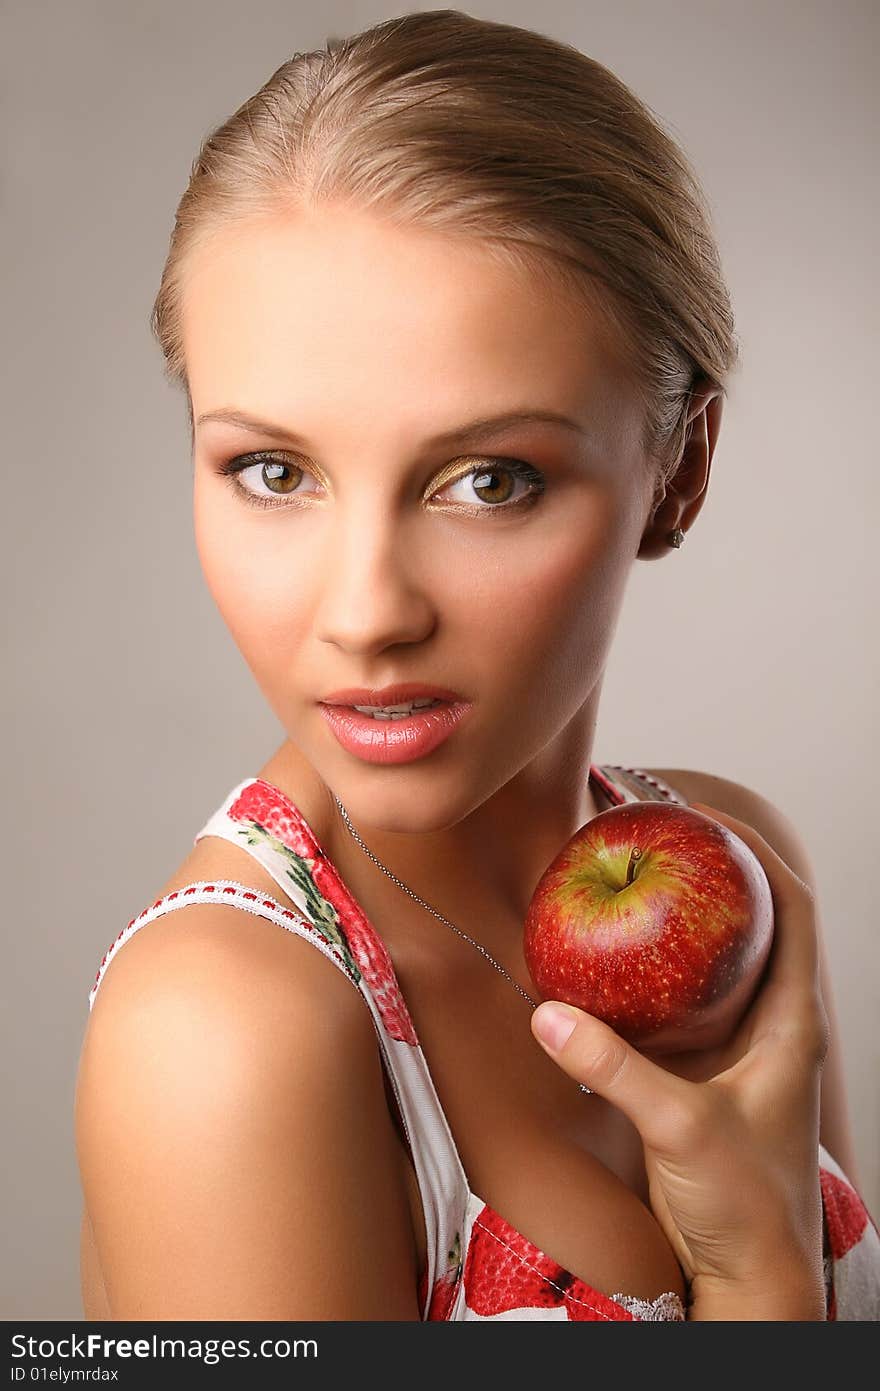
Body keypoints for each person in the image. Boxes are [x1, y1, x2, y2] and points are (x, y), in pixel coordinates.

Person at [74, 10, 879, 1321]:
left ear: (680, 469)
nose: (367, 610)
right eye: (272, 472)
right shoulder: (228, 1037)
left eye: (486, 479)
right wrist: (759, 1275)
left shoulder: (733, 864)